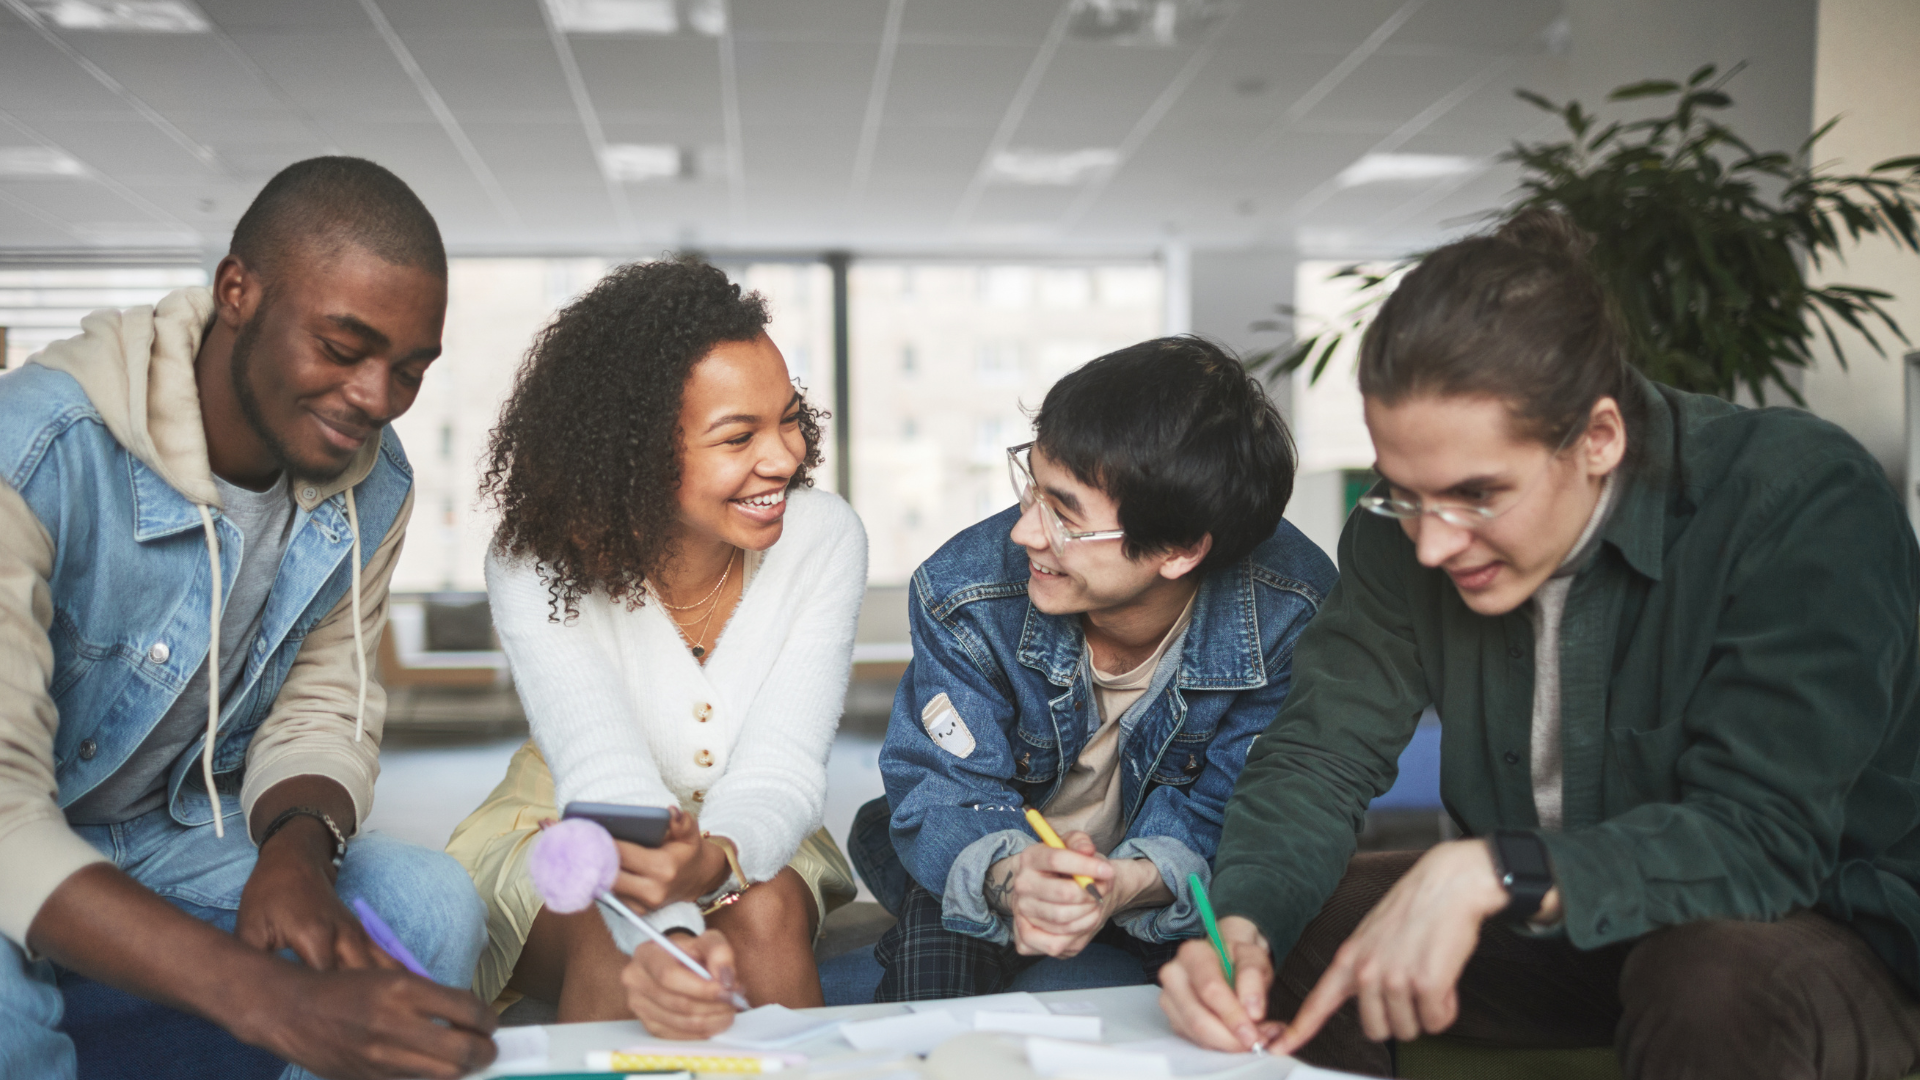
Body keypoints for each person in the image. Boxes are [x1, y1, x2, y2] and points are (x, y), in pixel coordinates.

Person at [1158, 209, 1920, 1079]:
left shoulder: (1796, 499)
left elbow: (1765, 838)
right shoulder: (1401, 535)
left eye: (1476, 495)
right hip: (1563, 925)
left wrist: (1496, 869)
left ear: (1599, 438)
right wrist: (1242, 928)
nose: (1434, 544)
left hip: (1827, 925)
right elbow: (1317, 759)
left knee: (1707, 976)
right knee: (1299, 926)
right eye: (1403, 492)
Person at [0, 156, 497, 1080]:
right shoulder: (33, 455)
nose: (376, 398)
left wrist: (297, 849)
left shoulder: (374, 485)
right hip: (21, 827)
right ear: (237, 290)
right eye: (344, 349)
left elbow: (325, 704)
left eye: (409, 371)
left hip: (165, 833)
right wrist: (273, 1000)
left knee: (422, 900)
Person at [445, 257, 865, 1038]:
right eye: (738, 436)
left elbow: (781, 763)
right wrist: (670, 932)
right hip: (572, 823)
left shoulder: (823, 538)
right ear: (632, 451)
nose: (785, 458)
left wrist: (720, 859)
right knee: (618, 942)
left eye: (789, 418)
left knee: (766, 912)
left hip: (758, 820)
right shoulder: (534, 561)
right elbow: (604, 767)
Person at [851, 337, 1337, 1001]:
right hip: (995, 839)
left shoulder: (1290, 607)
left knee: (1233, 986)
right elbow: (944, 790)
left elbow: (1241, 813)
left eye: (1066, 515)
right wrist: (1018, 876)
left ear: (1178, 549)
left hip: (1168, 869)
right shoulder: (964, 589)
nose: (1025, 532)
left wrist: (1125, 885)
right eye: (1033, 489)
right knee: (934, 956)